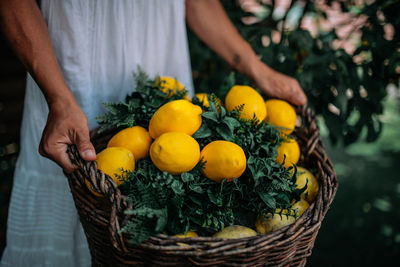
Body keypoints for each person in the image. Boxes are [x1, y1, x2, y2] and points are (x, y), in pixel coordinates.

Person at [0, 0, 306, 266]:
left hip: (162, 83)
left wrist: (258, 69)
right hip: (71, 74)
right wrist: (58, 97)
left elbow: (196, 2)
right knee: (85, 197)